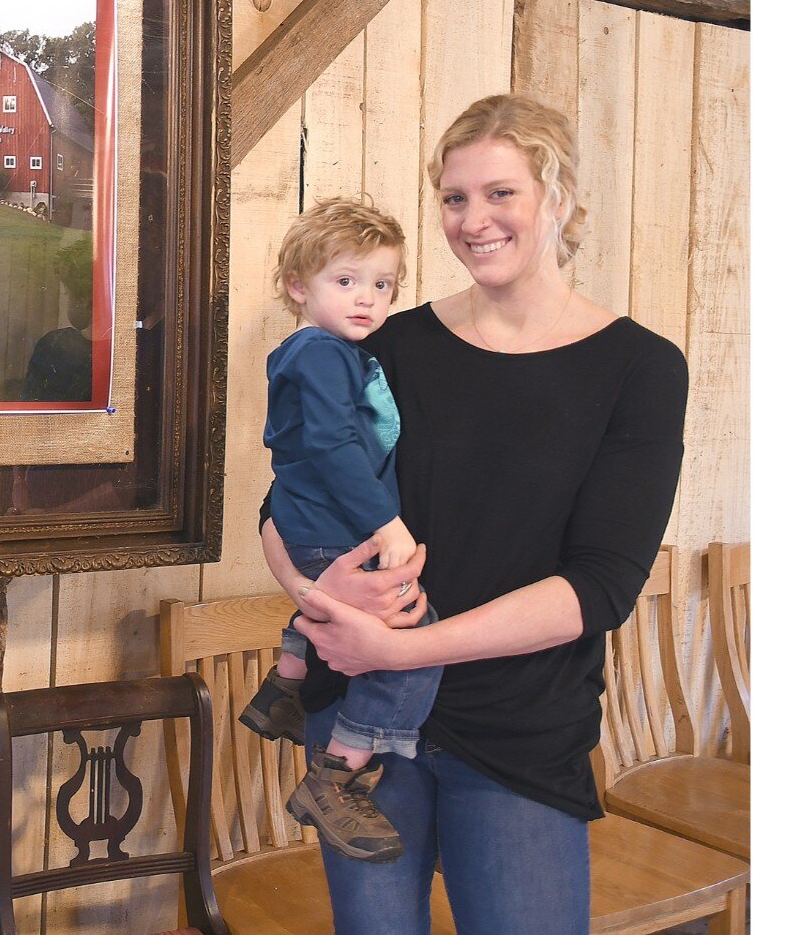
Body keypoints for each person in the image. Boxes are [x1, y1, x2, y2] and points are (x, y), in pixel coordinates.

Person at [259, 93, 687, 933]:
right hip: (360, 719)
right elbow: (284, 500)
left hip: (518, 733)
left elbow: (598, 588)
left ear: (556, 197)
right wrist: (318, 593)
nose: (474, 220)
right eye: (455, 198)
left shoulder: (639, 368)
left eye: (500, 194)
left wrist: (406, 643)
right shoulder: (384, 341)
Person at [237, 196, 440, 864]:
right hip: (332, 523)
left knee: (333, 600)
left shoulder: (328, 352)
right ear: (299, 287)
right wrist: (388, 525)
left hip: (313, 522)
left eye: (381, 284)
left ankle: (286, 684)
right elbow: (329, 445)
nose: (366, 300)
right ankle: (337, 773)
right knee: (415, 638)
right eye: (345, 281)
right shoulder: (322, 353)